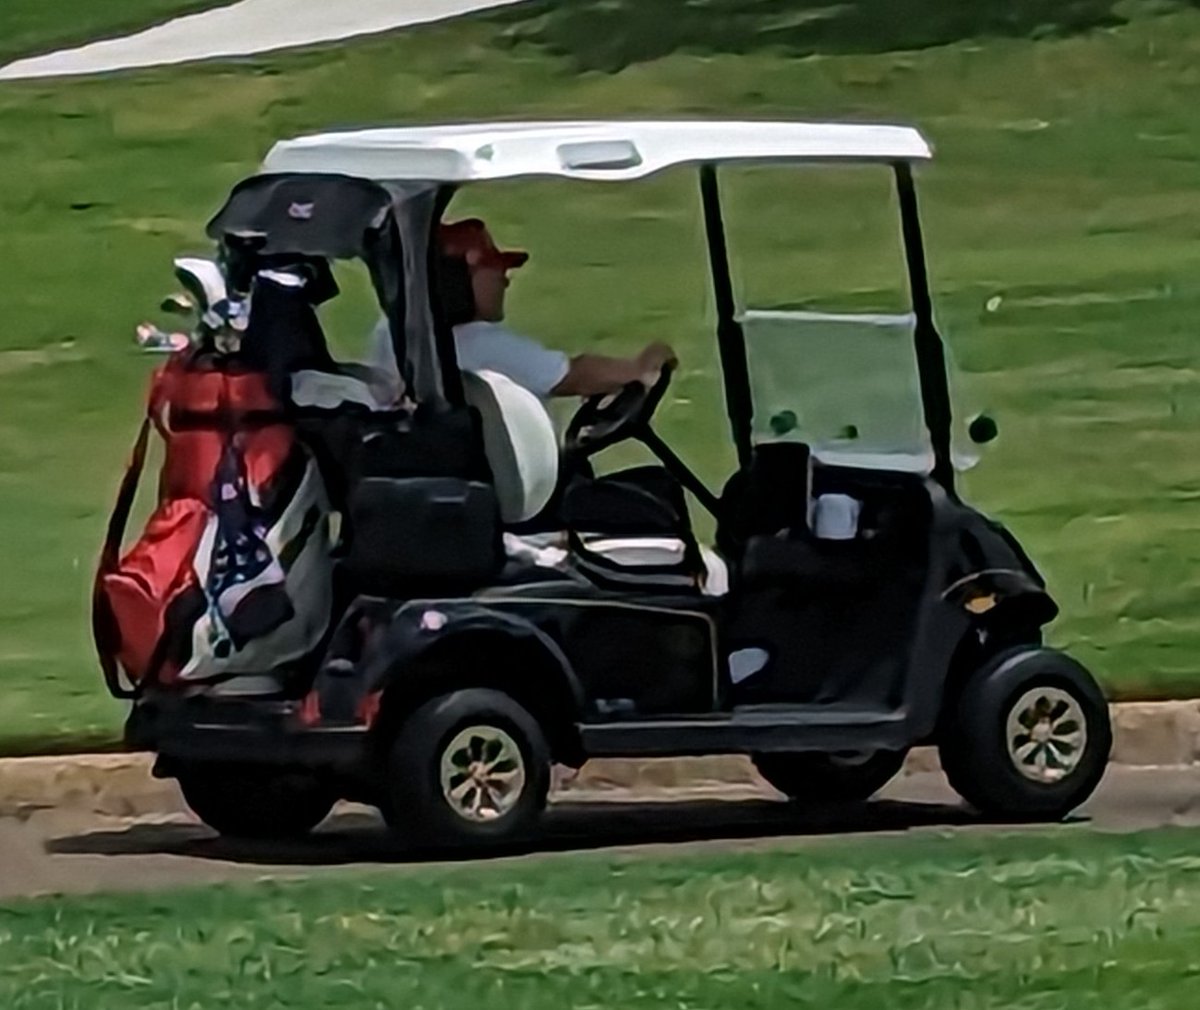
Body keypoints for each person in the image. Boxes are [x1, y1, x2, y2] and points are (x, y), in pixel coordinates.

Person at [368, 218, 677, 401]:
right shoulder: (479, 344)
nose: (505, 283)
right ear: (459, 279)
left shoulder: (391, 334)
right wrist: (643, 365)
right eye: (494, 272)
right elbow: (573, 376)